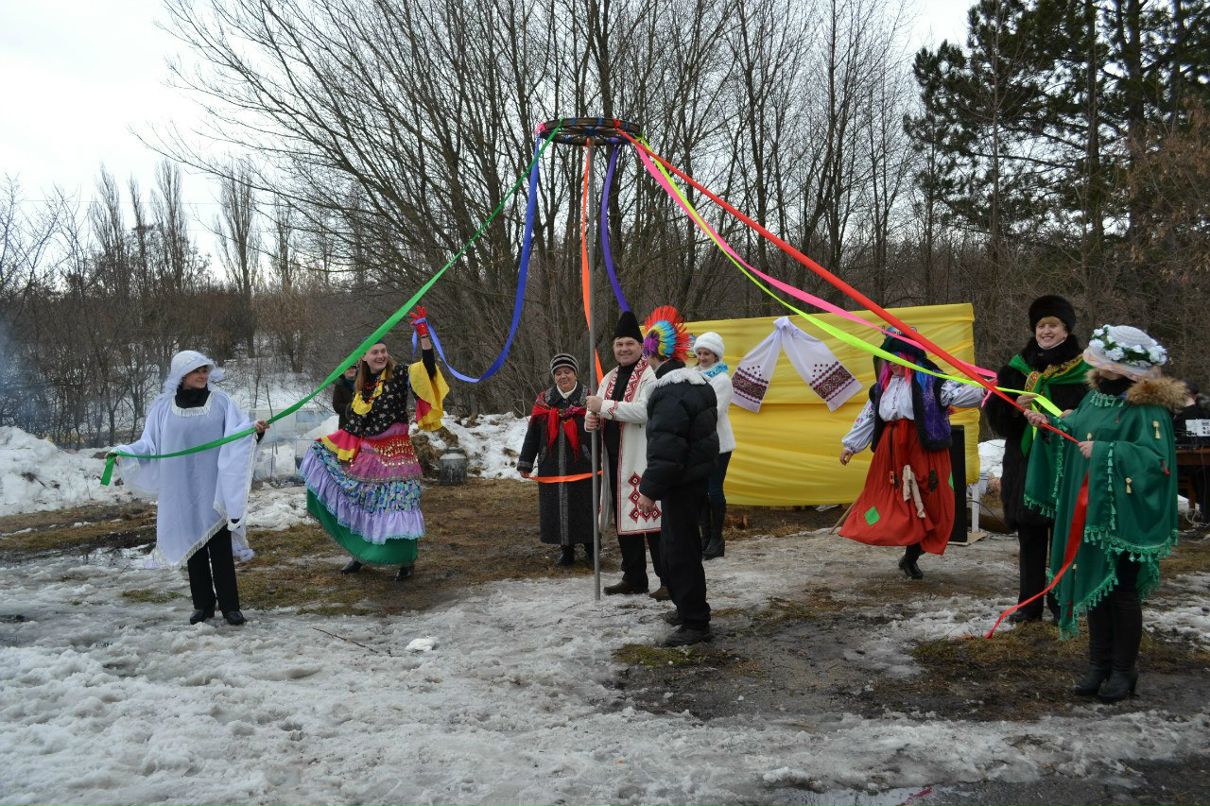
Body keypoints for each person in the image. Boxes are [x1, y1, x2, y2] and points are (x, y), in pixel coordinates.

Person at [1023, 325, 1181, 702]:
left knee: (1122, 592)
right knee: (1095, 586)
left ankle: (1124, 672)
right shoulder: (1095, 397)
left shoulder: (1147, 408)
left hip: (1123, 516)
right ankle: (1098, 666)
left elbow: (1157, 462)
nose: (1100, 366)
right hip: (1088, 512)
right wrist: (1049, 426)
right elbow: (1076, 433)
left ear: (1124, 367)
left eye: (1106, 361)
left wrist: (1108, 451)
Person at [110, 350, 268, 626]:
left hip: (212, 487)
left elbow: (238, 432)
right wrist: (124, 451)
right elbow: (150, 445)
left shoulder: (221, 403)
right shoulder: (162, 408)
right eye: (197, 371)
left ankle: (231, 606)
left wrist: (253, 431)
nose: (203, 375)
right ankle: (203, 606)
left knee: (219, 548)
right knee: (193, 549)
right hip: (181, 488)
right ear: (182, 374)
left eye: (205, 370)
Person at [300, 307, 447, 581]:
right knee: (365, 502)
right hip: (370, 455)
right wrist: (329, 446)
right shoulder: (361, 390)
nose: (379, 355)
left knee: (401, 502)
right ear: (364, 358)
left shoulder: (401, 375)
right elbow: (355, 426)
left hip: (398, 453)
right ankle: (360, 554)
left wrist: (424, 335)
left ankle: (405, 560)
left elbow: (428, 368)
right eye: (374, 352)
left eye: (383, 351)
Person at [838, 329, 984, 578]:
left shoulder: (931, 380)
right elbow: (869, 416)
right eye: (889, 358)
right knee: (897, 503)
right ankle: (905, 552)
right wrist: (851, 445)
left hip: (923, 449)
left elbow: (961, 393)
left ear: (909, 356)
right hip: (892, 451)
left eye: (898, 357)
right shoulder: (881, 387)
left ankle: (911, 557)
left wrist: (986, 388)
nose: (893, 363)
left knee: (929, 503)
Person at [985, 295, 1091, 623]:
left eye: (1053, 325)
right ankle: (1029, 604)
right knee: (1030, 536)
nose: (1046, 331)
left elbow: (1093, 417)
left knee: (1062, 535)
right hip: (1026, 465)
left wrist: (1068, 419)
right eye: (1041, 325)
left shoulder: (1086, 371)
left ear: (1066, 330)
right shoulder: (1016, 370)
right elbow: (998, 421)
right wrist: (1017, 408)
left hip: (1064, 465)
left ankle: (1061, 603)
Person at [636, 306, 719, 646]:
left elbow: (667, 448)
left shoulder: (669, 392)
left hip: (681, 481)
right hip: (694, 478)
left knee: (680, 549)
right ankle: (688, 607)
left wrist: (648, 489)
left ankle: (695, 621)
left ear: (652, 354)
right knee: (679, 547)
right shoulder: (698, 383)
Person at [586, 311, 667, 598]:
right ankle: (634, 577)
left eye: (629, 344)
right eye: (619, 344)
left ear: (640, 346)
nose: (623, 349)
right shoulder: (607, 377)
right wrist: (591, 419)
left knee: (651, 523)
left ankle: (667, 579)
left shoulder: (650, 377)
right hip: (613, 458)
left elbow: (644, 411)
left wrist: (603, 407)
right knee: (624, 522)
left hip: (639, 458)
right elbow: (595, 408)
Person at [517, 353, 594, 565]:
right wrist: (526, 462)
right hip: (550, 463)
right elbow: (533, 433)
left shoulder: (589, 397)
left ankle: (591, 547)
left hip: (583, 464)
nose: (563, 377)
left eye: (567, 372)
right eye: (558, 373)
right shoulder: (544, 400)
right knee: (556, 508)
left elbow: (602, 430)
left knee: (585, 506)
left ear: (575, 374)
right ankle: (566, 550)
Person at [693, 331, 734, 560]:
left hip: (719, 443)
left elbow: (714, 411)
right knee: (700, 492)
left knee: (714, 490)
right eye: (699, 352)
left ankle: (717, 539)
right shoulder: (692, 374)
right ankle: (705, 536)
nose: (702, 356)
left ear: (715, 355)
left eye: (707, 353)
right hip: (699, 444)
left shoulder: (722, 380)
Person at [1173, 381, 1210, 523]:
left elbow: (1199, 433)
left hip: (1197, 458)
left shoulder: (1202, 410)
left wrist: (1190, 406)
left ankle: (1205, 515)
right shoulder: (1172, 411)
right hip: (1179, 462)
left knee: (1204, 472)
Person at [332, 364, 358, 430]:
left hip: (363, 423)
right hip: (346, 423)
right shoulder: (340, 385)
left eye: (353, 368)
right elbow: (336, 405)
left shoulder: (363, 382)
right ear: (343, 372)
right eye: (348, 368)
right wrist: (351, 407)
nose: (351, 370)